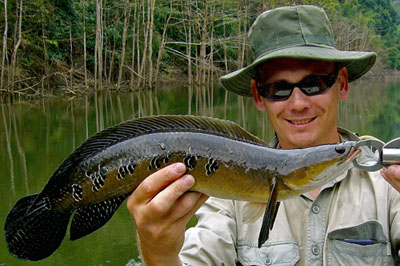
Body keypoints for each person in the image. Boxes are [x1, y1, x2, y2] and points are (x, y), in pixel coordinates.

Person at [127, 5, 400, 265]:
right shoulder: (227, 191)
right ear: (259, 95)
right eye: (279, 89)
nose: (298, 103)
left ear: (341, 84)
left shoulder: (390, 185)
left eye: (314, 84)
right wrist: (158, 252)